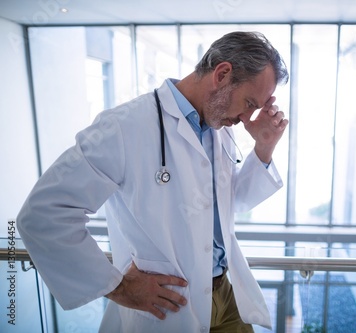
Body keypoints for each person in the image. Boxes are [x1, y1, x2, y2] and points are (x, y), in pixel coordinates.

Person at [17, 31, 289, 332]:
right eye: (250, 103)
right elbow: (44, 214)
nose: (247, 118)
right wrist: (117, 287)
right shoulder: (124, 126)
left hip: (226, 296)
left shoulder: (219, 126)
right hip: (169, 306)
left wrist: (264, 147)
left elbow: (231, 204)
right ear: (222, 74)